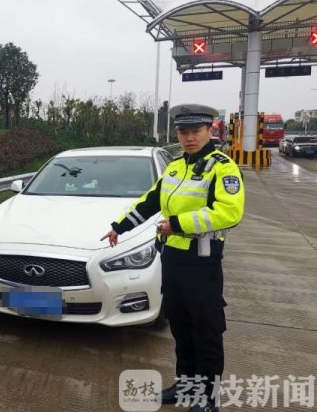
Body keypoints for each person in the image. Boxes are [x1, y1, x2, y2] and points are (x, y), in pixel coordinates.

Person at [101, 104, 245, 412]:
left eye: (195, 131)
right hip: (172, 261)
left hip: (202, 263)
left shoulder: (222, 167)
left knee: (206, 331)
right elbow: (151, 200)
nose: (189, 138)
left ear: (209, 130)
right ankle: (186, 385)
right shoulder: (175, 167)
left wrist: (177, 224)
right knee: (180, 326)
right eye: (183, 132)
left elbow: (229, 213)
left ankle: (207, 397)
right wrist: (119, 226)